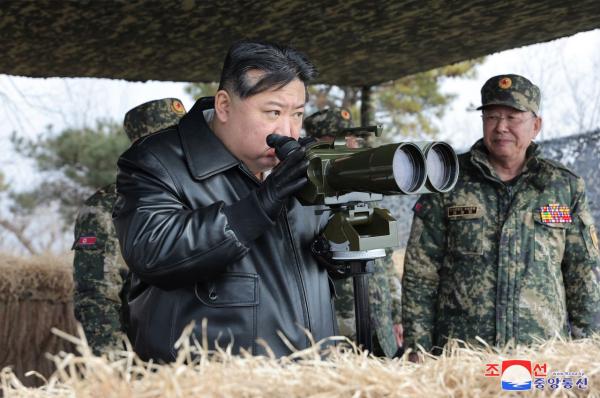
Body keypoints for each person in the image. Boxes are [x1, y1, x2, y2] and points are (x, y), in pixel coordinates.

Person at [112, 40, 337, 362]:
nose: (288, 131)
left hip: (312, 378)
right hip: (209, 382)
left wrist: (339, 250)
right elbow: (153, 252)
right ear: (224, 105)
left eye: (298, 114)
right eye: (273, 112)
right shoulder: (158, 162)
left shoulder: (302, 165)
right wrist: (260, 205)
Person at [402, 74, 600, 358]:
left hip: (540, 355)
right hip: (463, 358)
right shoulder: (447, 181)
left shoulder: (563, 186)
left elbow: (584, 276)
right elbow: (420, 274)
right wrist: (418, 350)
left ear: (536, 125)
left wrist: (589, 352)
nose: (501, 127)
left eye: (513, 117)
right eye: (492, 116)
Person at [72, 98, 187, 355]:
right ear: (140, 148)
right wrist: (114, 371)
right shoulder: (105, 207)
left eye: (181, 140)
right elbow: (96, 295)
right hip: (144, 361)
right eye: (164, 142)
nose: (178, 150)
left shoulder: (207, 193)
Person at [304, 107, 403, 357]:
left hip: (379, 328)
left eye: (353, 140)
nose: (350, 146)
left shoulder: (365, 193)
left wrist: (397, 314)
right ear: (316, 145)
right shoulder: (304, 201)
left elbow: (386, 261)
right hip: (337, 331)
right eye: (339, 139)